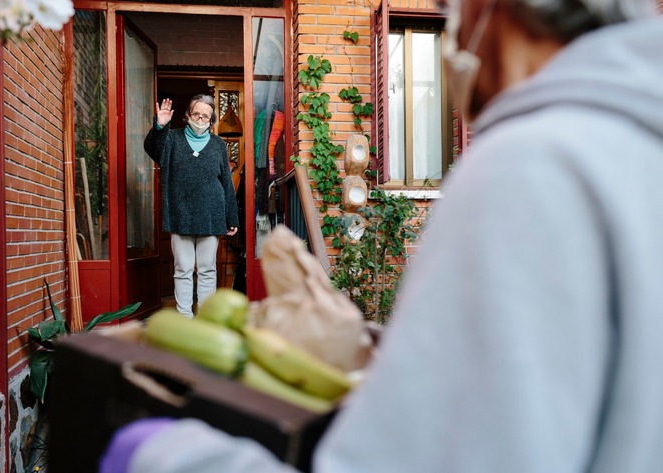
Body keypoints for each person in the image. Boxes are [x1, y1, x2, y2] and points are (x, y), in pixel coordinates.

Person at [114, 0, 663, 471]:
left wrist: (155, 451)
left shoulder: (530, 165)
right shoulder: (639, 156)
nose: (451, 32)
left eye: (450, 11)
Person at [144, 94, 239, 317]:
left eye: (206, 116)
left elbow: (226, 181)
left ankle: (206, 319)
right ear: (188, 115)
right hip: (180, 212)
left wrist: (231, 217)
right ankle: (185, 318)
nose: (200, 118)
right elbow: (153, 150)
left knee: (207, 270)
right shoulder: (172, 139)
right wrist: (160, 126)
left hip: (211, 213)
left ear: (211, 120)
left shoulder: (218, 145)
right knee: (183, 269)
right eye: (196, 113)